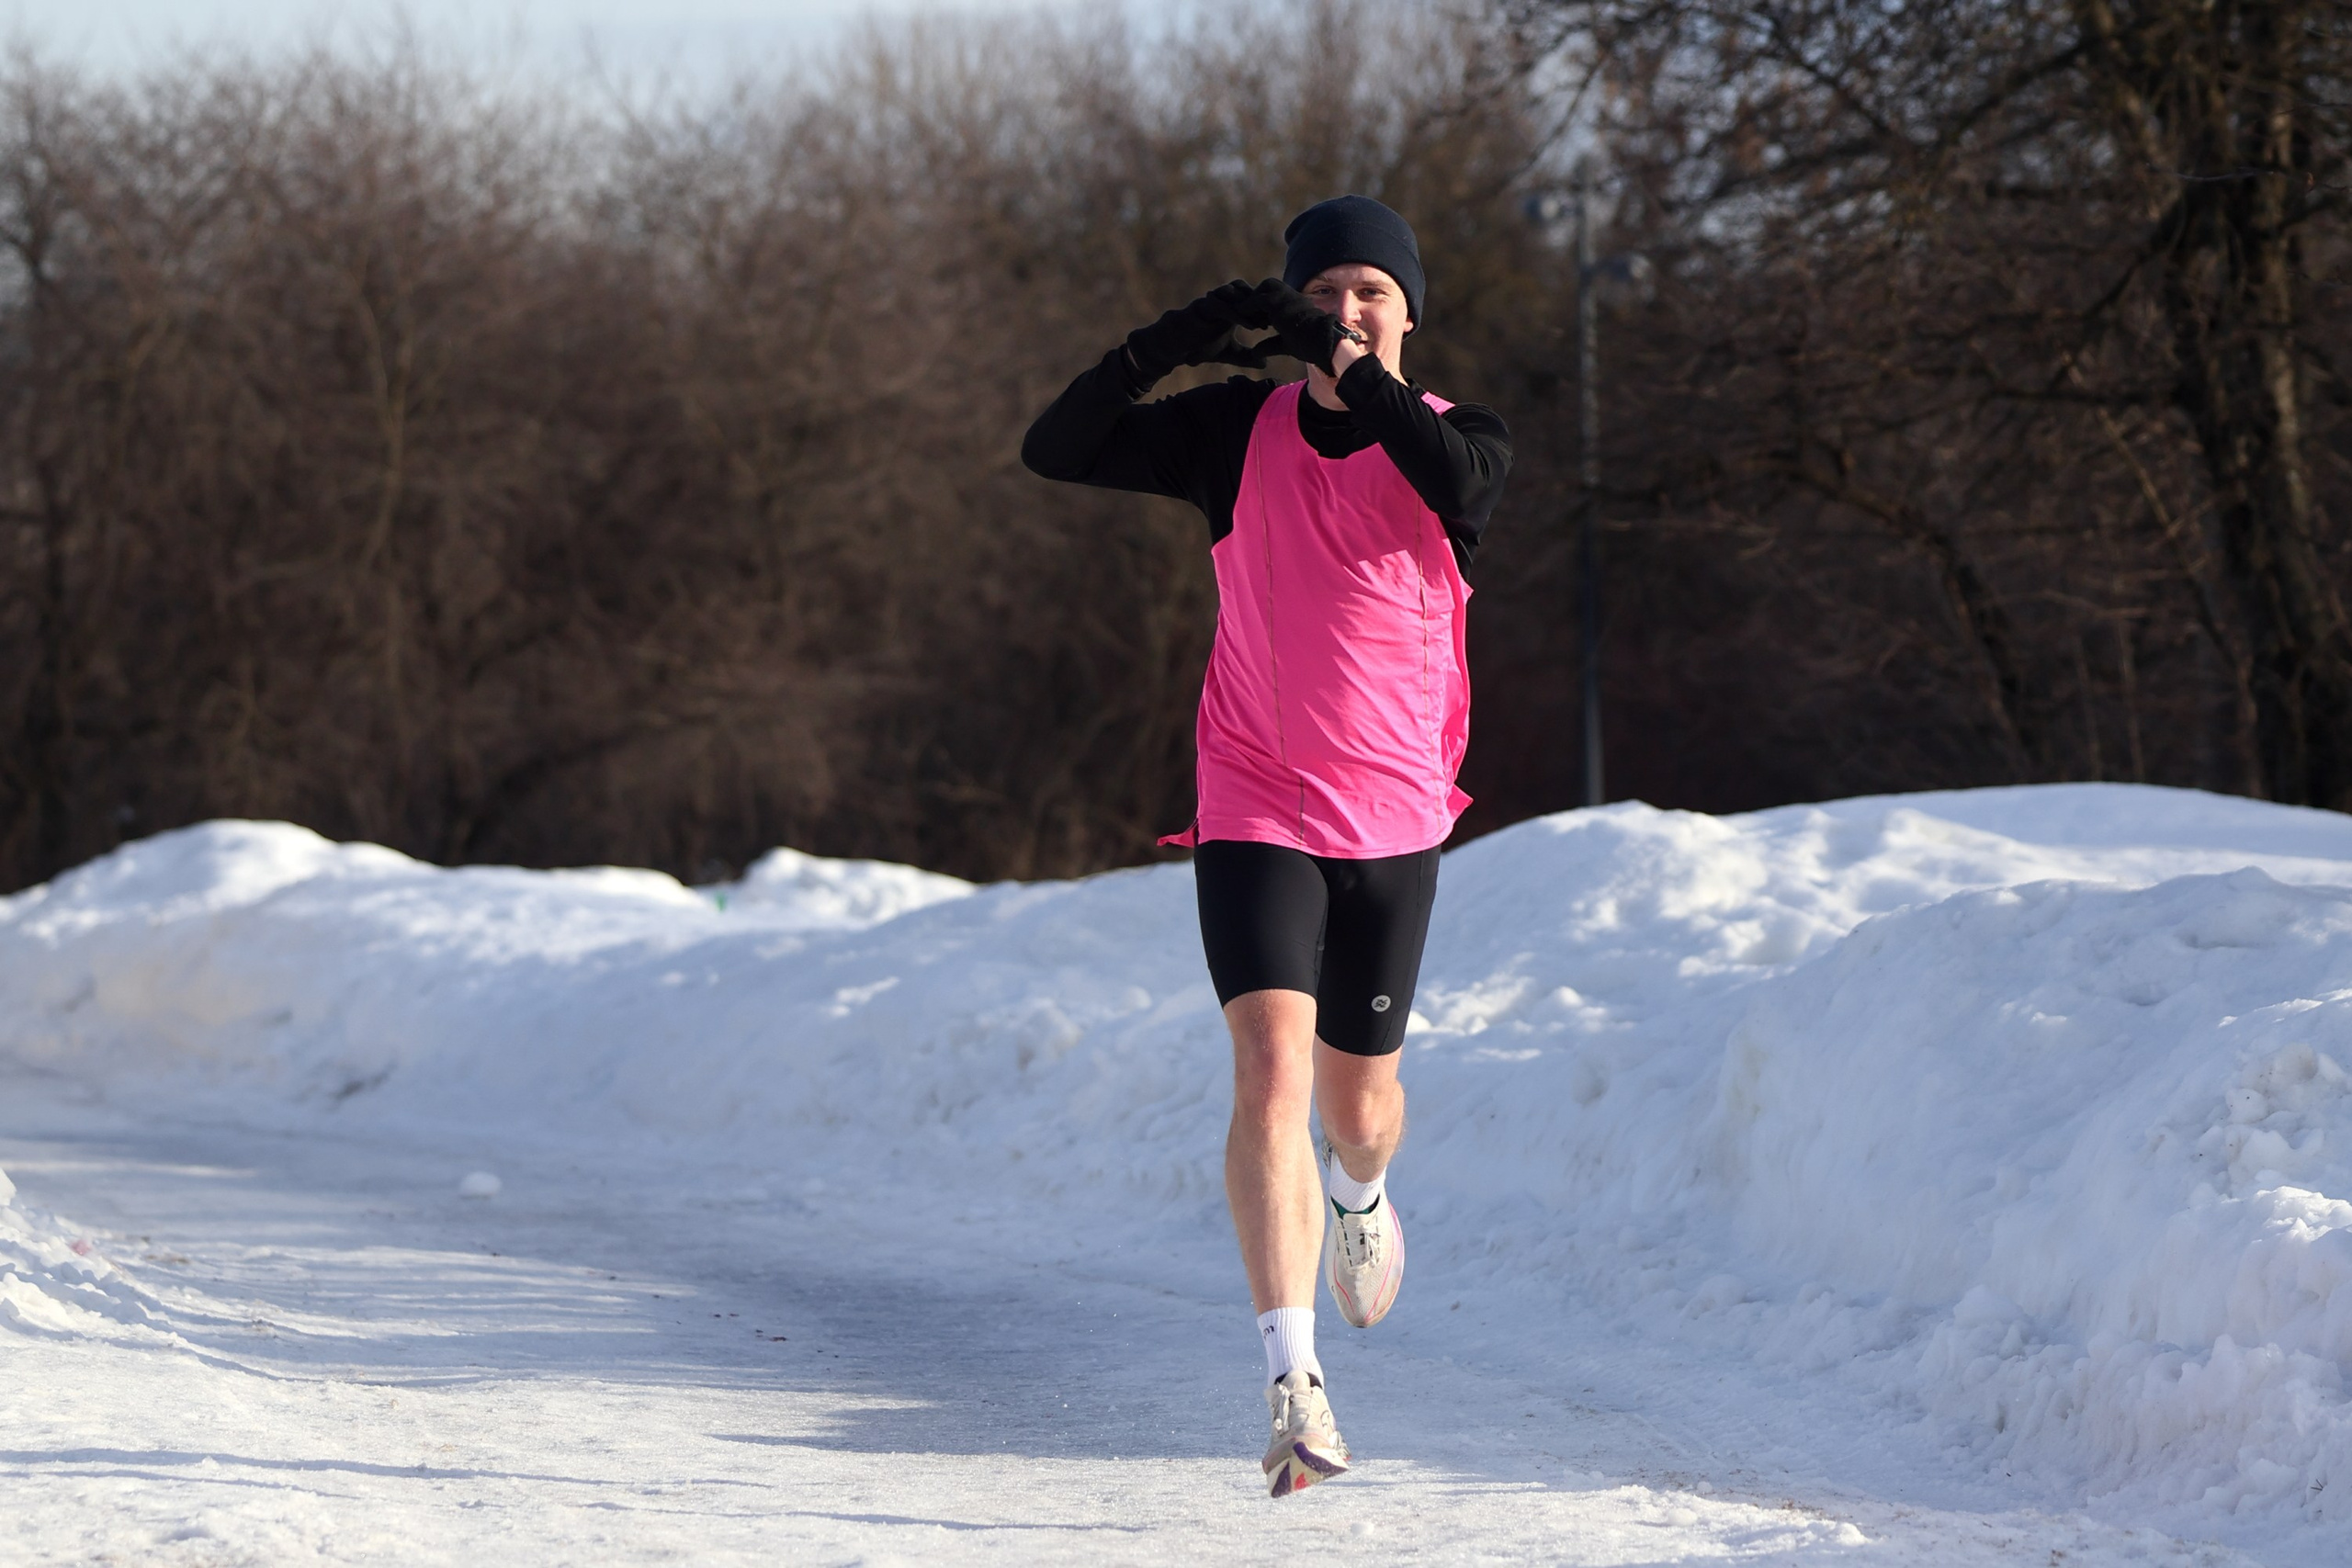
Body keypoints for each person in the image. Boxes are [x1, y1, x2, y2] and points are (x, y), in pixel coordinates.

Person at [1021, 195, 1510, 1496]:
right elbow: (1056, 450)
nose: (1347, 312)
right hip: (1255, 796)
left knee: (1361, 1109)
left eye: (1369, 292)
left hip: (1397, 815)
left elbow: (1451, 483)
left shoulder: (1462, 442)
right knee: (1268, 1066)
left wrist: (1350, 368)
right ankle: (1294, 1379)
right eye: (1325, 293)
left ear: (1408, 310)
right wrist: (1166, 343)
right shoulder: (1236, 433)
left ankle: (1359, 1194)